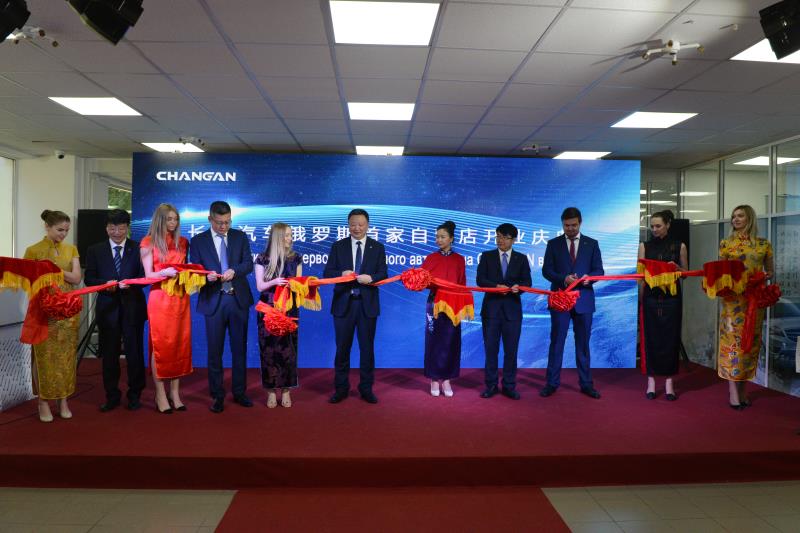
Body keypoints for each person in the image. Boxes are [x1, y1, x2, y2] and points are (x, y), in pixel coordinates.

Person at [191, 201, 255, 413]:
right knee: (214, 351)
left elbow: (248, 264)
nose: (223, 226)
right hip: (213, 301)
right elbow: (194, 271)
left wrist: (234, 271)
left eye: (227, 222)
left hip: (237, 300)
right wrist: (206, 277)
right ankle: (217, 395)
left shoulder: (240, 237)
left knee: (239, 349)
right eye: (219, 222)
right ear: (210, 219)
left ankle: (240, 392)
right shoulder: (198, 241)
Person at [84, 209, 147, 412]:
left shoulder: (138, 248)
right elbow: (89, 279)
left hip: (133, 308)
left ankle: (135, 395)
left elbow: (145, 276)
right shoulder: (95, 250)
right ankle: (111, 395)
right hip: (108, 309)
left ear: (127, 227)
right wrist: (105, 284)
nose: (117, 232)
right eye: (112, 228)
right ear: (106, 228)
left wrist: (132, 283)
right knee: (109, 356)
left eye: (121, 228)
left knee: (134, 354)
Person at [323, 208, 388, 404]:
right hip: (344, 304)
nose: (357, 228)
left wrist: (372, 278)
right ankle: (341, 389)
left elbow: (383, 273)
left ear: (368, 225)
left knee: (367, 349)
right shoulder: (338, 246)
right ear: (348, 225)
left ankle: (366, 388)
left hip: (367, 305)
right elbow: (327, 273)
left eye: (360, 224)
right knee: (342, 349)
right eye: (353, 224)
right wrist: (341, 274)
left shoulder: (377, 247)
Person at [24, 210, 82, 422]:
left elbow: (76, 278)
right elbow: (28, 282)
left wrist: (55, 269)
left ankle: (63, 399)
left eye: (66, 230)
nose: (63, 234)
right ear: (47, 227)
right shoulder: (33, 251)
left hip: (67, 311)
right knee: (44, 357)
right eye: (59, 230)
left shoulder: (71, 249)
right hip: (43, 311)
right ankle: (43, 401)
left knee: (66, 357)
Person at [541, 207, 604, 399]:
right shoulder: (553, 244)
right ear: (562, 224)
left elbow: (599, 270)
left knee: (583, 344)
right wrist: (563, 279)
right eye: (566, 225)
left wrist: (588, 278)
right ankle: (551, 383)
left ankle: (586, 384)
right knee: (557, 342)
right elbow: (546, 270)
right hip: (560, 300)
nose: (570, 228)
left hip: (584, 301)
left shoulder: (591, 244)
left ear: (580, 223)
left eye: (573, 225)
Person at [718, 204, 773, 410]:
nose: (735, 219)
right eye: (733, 216)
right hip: (732, 303)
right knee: (733, 347)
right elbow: (721, 273)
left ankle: (743, 390)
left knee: (749, 347)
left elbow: (770, 271)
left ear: (749, 218)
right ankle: (733, 392)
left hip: (753, 303)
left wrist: (761, 278)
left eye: (740, 216)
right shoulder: (726, 244)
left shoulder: (764, 244)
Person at [140, 203, 192, 414]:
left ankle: (175, 393)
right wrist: (163, 273)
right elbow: (147, 275)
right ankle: (160, 394)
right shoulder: (148, 242)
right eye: (169, 219)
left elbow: (186, 268)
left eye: (175, 219)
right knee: (161, 345)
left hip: (180, 297)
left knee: (179, 344)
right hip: (160, 297)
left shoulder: (183, 242)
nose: (173, 223)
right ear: (160, 219)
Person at [476, 223, 532, 400]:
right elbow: (480, 280)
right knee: (491, 350)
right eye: (498, 236)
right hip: (491, 311)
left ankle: (509, 386)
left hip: (512, 312)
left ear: (513, 240)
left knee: (511, 351)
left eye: (505, 237)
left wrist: (518, 288)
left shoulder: (521, 258)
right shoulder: (487, 256)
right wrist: (495, 286)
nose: (500, 240)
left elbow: (527, 282)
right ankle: (491, 385)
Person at [638, 210, 687, 401]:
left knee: (670, 338)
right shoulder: (644, 246)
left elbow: (685, 273)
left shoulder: (679, 246)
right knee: (650, 337)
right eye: (652, 226)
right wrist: (641, 298)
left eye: (658, 226)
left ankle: (669, 383)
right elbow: (640, 277)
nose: (654, 229)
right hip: (650, 297)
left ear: (668, 224)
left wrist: (677, 269)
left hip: (672, 298)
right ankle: (650, 382)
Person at [254, 223, 302, 408]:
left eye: (291, 235)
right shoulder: (262, 259)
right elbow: (260, 286)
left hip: (289, 309)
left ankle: (287, 390)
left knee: (289, 350)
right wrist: (275, 281)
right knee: (269, 351)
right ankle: (271, 391)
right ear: (277, 237)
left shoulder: (296, 258)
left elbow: (298, 284)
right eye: (287, 235)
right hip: (268, 310)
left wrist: (303, 286)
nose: (290, 238)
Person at [421, 220, 467, 397]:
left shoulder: (459, 259)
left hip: (453, 305)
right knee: (433, 340)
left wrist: (463, 306)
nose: (438, 240)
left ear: (451, 238)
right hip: (434, 303)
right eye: (437, 237)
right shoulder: (430, 258)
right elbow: (423, 282)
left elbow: (462, 284)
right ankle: (434, 379)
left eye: (442, 237)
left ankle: (447, 379)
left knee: (451, 341)